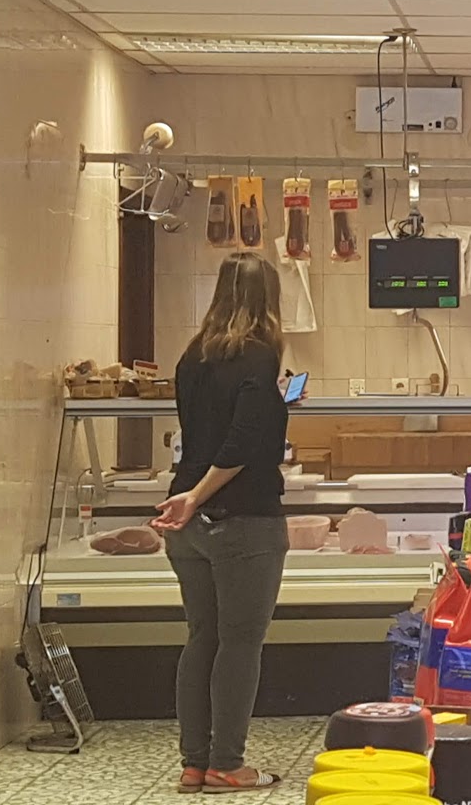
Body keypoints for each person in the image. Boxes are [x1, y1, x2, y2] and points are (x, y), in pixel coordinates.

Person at [151, 251, 290, 794]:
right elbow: (240, 443)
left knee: (202, 637)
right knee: (240, 642)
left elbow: (210, 429)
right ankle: (227, 765)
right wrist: (197, 496)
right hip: (243, 520)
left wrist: (186, 498)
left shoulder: (193, 356)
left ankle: (194, 763)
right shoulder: (259, 356)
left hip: (188, 530)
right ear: (269, 299)